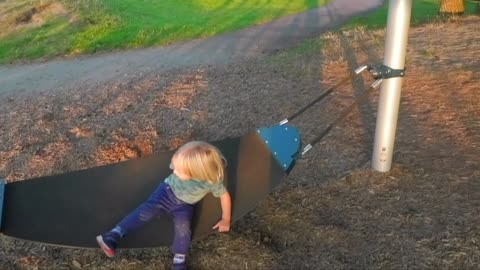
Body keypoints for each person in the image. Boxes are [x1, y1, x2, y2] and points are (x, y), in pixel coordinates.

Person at [96, 141, 232, 270]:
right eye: (176, 167)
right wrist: (179, 169)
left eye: (179, 171)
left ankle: (180, 259)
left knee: (183, 228)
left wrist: (225, 219)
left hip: (184, 205)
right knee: (145, 212)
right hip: (166, 193)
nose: (174, 171)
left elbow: (224, 196)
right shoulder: (182, 161)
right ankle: (113, 235)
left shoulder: (211, 180)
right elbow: (179, 165)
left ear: (196, 173)